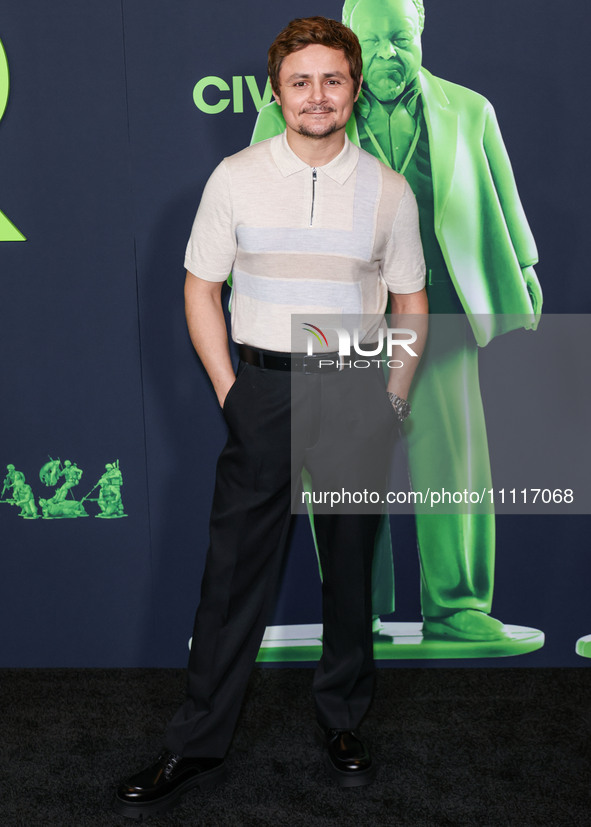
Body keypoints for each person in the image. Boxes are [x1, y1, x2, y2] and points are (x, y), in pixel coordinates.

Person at [114, 16, 427, 820]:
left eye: (331, 80)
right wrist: (229, 391)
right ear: (276, 91)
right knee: (231, 580)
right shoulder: (235, 178)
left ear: (352, 89)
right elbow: (198, 288)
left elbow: (410, 301)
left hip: (355, 387)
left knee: (352, 572)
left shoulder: (389, 191)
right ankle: (197, 739)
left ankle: (343, 721)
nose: (315, 96)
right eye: (299, 81)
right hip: (264, 389)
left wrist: (392, 395)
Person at [252, 0, 542, 643]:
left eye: (400, 41)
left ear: (421, 36)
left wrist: (524, 266)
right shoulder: (294, 112)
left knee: (454, 462)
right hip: (341, 316)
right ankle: (357, 610)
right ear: (351, 42)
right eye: (373, 42)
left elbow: (500, 192)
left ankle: (458, 606)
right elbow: (258, 206)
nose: (387, 55)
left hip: (439, 313)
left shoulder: (468, 110)